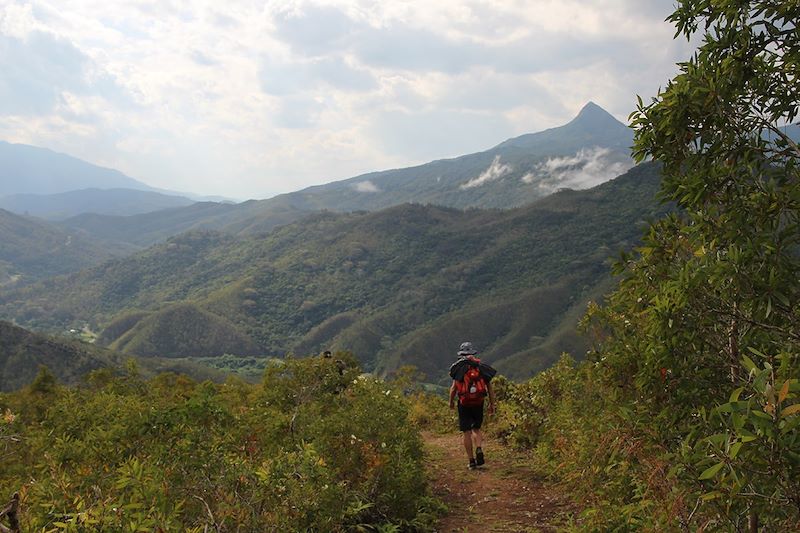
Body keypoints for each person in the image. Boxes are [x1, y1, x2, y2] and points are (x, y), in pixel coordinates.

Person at [449, 342, 496, 470]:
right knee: (476, 429)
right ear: (473, 353)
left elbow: (453, 389)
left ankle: (471, 461)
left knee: (467, 432)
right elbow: (490, 389)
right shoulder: (481, 368)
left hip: (464, 403)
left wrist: (451, 402)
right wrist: (492, 404)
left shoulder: (459, 369)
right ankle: (479, 448)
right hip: (478, 402)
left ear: (461, 354)